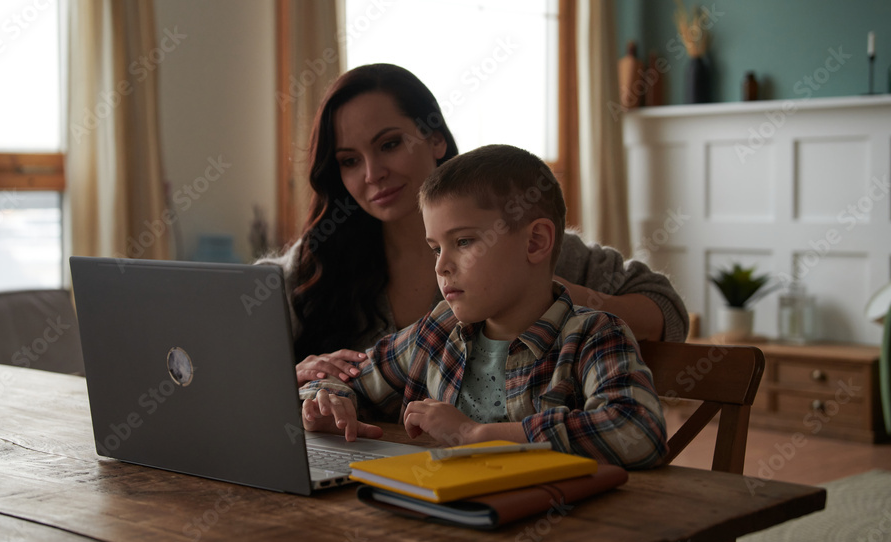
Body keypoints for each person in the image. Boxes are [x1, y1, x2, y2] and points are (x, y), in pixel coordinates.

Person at [256, 63, 688, 386]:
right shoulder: (315, 262)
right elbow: (222, 351)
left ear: (435, 138)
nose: (372, 173)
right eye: (349, 160)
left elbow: (666, 312)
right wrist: (287, 376)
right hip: (349, 484)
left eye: (389, 144)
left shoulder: (516, 241)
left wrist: (557, 296)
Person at [299, 145, 668, 469]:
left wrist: (478, 434)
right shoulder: (438, 330)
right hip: (439, 521)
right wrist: (329, 404)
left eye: (462, 241)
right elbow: (343, 380)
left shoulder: (593, 336)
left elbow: (638, 430)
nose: (441, 266)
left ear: (536, 242)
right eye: (435, 248)